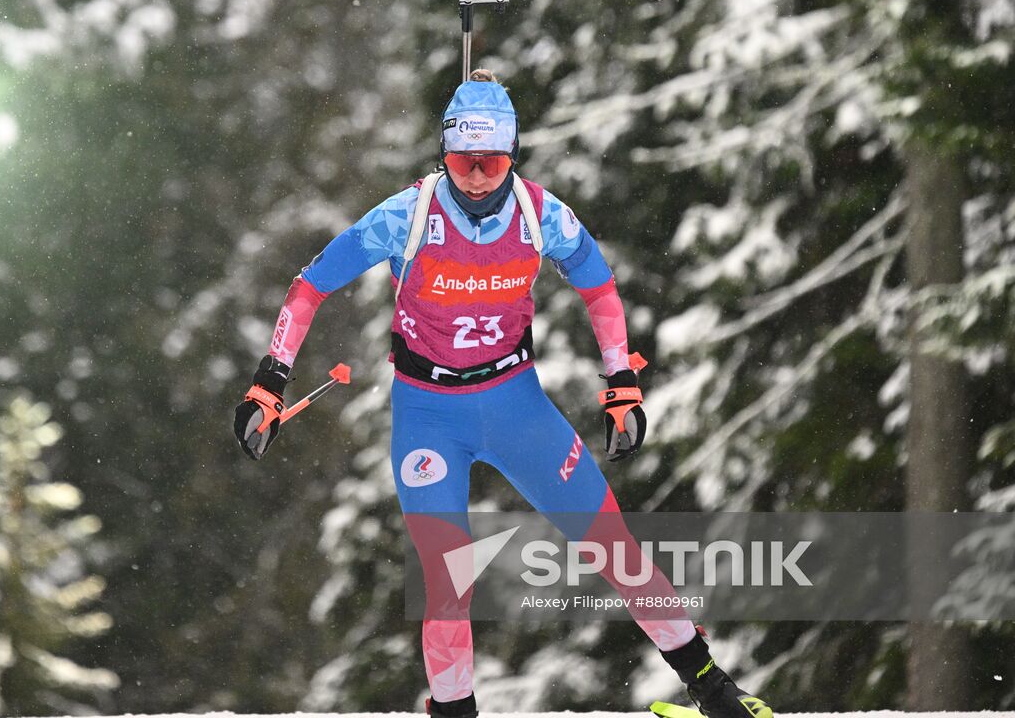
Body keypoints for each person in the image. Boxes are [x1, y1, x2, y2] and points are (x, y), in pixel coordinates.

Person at [234, 71, 771, 718]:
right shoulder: (408, 215)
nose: (479, 175)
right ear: (446, 154)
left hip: (516, 405)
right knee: (446, 579)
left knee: (612, 545)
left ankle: (713, 689)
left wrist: (620, 383)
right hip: (427, 415)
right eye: (465, 160)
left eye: (493, 161)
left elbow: (598, 287)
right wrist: (271, 379)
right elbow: (310, 285)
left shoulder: (542, 215)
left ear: (513, 155)